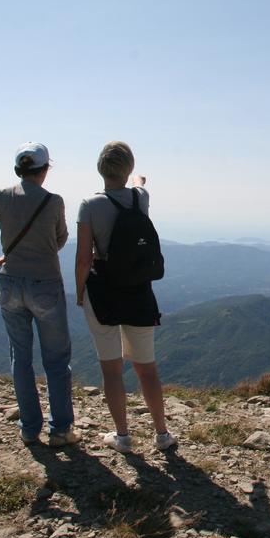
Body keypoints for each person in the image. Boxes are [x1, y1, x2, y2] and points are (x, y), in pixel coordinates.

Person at [0, 142, 77, 447]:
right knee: (56, 360)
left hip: (9, 283)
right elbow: (60, 238)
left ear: (18, 169)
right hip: (45, 286)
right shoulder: (53, 202)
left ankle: (29, 428)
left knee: (20, 358)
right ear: (44, 169)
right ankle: (61, 429)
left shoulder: (0, 197)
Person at [75, 141, 176, 453]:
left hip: (103, 292)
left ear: (99, 169)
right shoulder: (139, 198)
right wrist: (138, 179)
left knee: (111, 368)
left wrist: (79, 292)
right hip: (138, 292)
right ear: (129, 169)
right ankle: (161, 434)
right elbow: (139, 184)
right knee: (146, 367)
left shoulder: (89, 205)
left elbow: (83, 259)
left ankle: (123, 437)